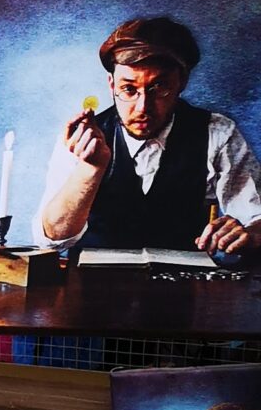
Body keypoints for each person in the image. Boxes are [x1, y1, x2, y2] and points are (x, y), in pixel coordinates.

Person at [36, 14, 261, 260]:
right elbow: (53, 238)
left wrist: (249, 234)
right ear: (112, 85)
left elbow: (257, 218)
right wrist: (90, 169)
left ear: (182, 82)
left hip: (183, 281)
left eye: (159, 87)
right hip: (92, 281)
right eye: (128, 89)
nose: (143, 107)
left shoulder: (217, 132)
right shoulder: (82, 137)